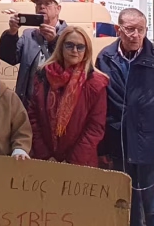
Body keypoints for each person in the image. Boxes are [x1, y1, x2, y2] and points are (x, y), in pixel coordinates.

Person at [95, 9, 154, 226]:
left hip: (150, 147)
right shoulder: (105, 58)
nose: (136, 35)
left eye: (141, 30)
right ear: (118, 30)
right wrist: (101, 149)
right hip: (117, 148)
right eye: (130, 29)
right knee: (124, 211)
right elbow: (98, 106)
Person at [27, 26, 107, 167]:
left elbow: (95, 127)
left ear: (86, 51)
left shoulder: (95, 83)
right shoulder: (43, 75)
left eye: (80, 47)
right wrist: (45, 155)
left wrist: (72, 161)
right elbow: (33, 116)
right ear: (60, 47)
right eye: (69, 45)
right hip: (46, 161)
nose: (75, 51)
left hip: (80, 163)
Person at [0, 0, 68, 108]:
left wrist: (54, 42)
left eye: (47, 3)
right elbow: (9, 57)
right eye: (38, 3)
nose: (42, 6)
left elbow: (72, 67)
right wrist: (12, 33)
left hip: (57, 105)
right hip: (28, 104)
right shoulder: (29, 35)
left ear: (58, 9)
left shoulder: (69, 35)